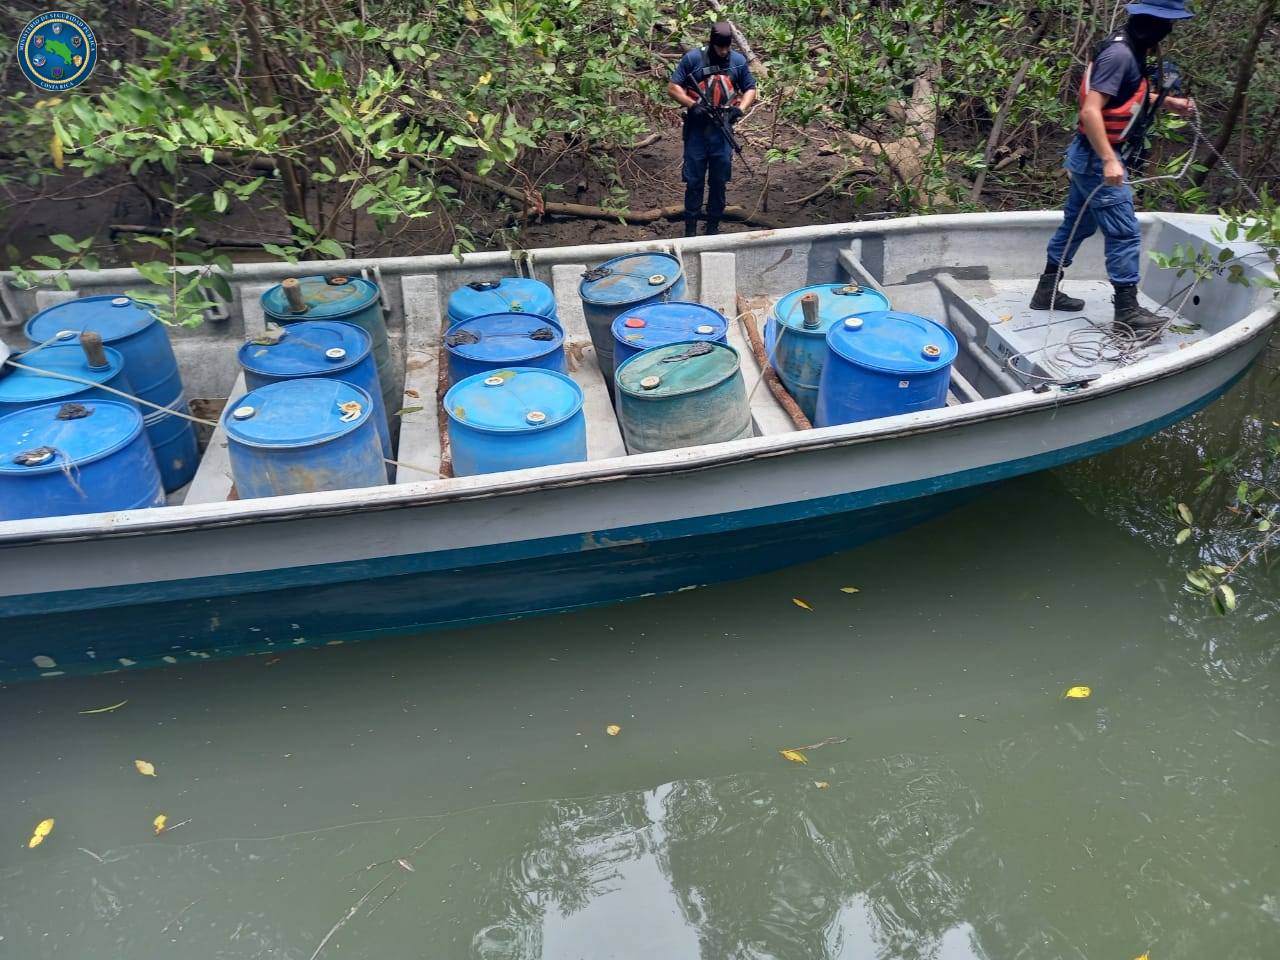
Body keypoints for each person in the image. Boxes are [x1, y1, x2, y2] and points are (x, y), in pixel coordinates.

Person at [1032, 0, 1196, 333]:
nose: (1170, 30)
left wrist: (1170, 102)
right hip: (1097, 157)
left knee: (1076, 226)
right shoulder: (1120, 55)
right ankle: (1127, 312)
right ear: (1153, 22)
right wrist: (1109, 159)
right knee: (1124, 233)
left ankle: (1046, 291)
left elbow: (1124, 96)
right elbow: (1091, 110)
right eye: (1168, 23)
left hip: (1088, 155)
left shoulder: (1129, 49)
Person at [667, 22, 758, 237]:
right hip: (697, 129)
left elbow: (750, 89)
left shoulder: (737, 61)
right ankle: (690, 229)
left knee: (719, 180)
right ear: (711, 43)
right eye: (720, 47)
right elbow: (673, 87)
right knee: (694, 179)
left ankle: (712, 227)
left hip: (722, 129)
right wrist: (692, 105)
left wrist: (740, 109)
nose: (724, 51)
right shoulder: (693, 59)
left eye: (727, 47)